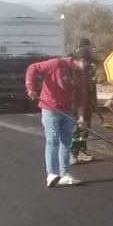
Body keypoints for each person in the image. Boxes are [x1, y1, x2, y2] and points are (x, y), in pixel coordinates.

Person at [25, 48, 93, 187]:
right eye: (88, 63)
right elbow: (33, 68)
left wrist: (81, 117)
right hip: (50, 108)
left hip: (67, 110)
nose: (89, 67)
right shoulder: (56, 64)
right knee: (52, 140)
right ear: (81, 60)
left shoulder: (80, 74)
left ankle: (64, 174)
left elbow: (81, 97)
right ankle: (51, 174)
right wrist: (30, 88)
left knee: (66, 141)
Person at [68, 38, 97, 165]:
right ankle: (73, 153)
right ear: (79, 49)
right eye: (87, 49)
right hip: (75, 100)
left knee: (85, 126)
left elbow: (91, 83)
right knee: (76, 126)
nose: (89, 51)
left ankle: (81, 150)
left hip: (87, 99)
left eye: (90, 49)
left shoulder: (90, 62)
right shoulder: (71, 61)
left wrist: (93, 101)